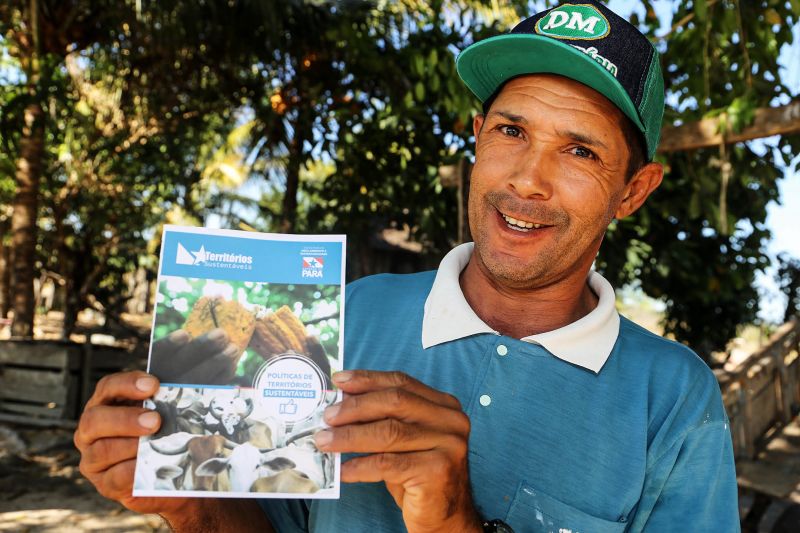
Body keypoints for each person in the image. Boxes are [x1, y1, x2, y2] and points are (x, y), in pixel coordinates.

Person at [73, 1, 739, 531]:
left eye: (581, 152)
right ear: (477, 137)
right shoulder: (349, 315)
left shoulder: (674, 402)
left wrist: (454, 521)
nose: (529, 180)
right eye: (512, 131)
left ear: (634, 188)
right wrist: (188, 502)